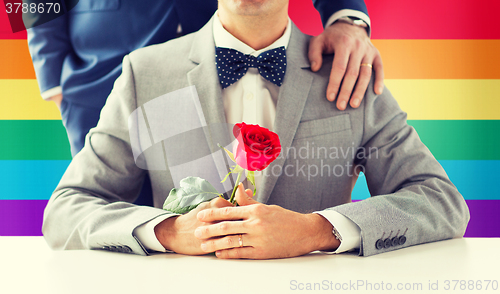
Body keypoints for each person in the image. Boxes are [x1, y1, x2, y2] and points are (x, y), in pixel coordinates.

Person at [42, 0, 469, 258]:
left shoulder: (348, 76)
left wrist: (317, 230)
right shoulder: (144, 76)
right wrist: (168, 232)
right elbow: (68, 210)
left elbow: (441, 202)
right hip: (95, 80)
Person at [26, 0, 383, 156]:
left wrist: (345, 16)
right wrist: (53, 81)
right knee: (113, 226)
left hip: (225, 67)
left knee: (221, 216)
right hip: (100, 75)